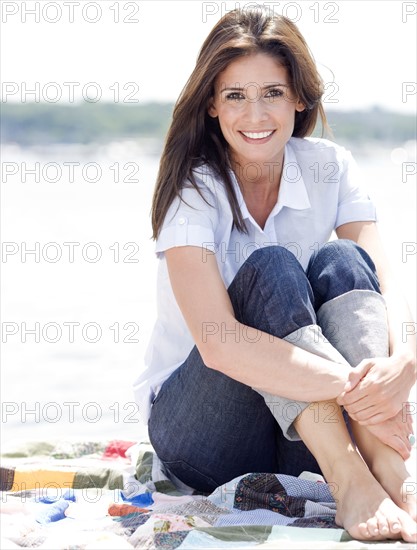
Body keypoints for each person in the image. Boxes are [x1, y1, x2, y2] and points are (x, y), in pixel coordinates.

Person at [133, 6, 417, 542]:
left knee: (343, 261)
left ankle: (388, 469)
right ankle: (352, 477)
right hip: (203, 431)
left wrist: (405, 362)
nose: (256, 114)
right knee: (273, 268)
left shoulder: (330, 166)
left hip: (303, 430)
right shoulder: (194, 189)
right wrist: (358, 388)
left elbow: (384, 279)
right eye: (236, 95)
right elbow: (220, 346)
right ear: (212, 105)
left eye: (273, 93)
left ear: (300, 98)